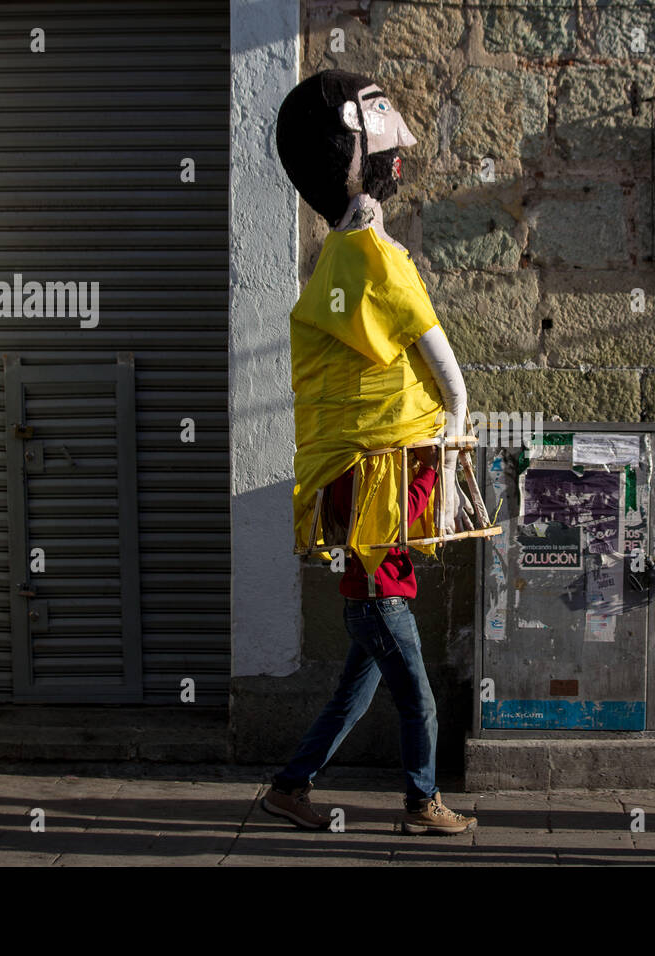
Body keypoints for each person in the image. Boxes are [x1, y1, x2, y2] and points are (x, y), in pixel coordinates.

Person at [262, 69, 476, 835]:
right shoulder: (375, 262)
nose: (404, 149)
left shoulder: (344, 259)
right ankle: (423, 801)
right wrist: (455, 416)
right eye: (384, 130)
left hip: (374, 526)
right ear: (353, 147)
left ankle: (291, 786)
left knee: (357, 680)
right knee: (413, 690)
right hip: (374, 534)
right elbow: (442, 366)